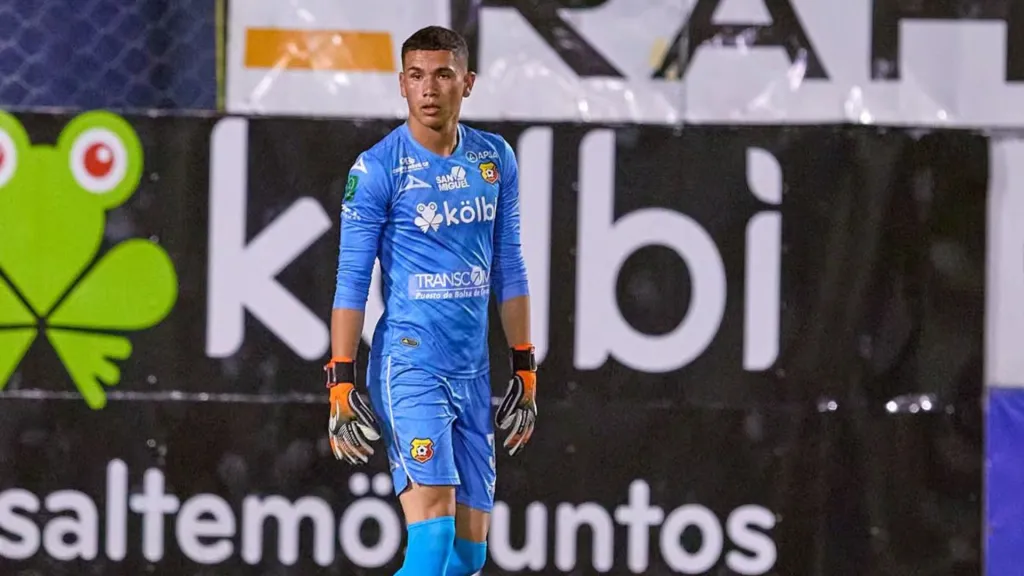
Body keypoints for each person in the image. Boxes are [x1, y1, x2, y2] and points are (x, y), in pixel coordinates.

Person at [323, 25, 538, 576]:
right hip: (410, 364)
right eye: (416, 75)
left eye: (443, 74)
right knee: (433, 537)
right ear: (401, 83)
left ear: (467, 82)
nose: (429, 88)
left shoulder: (494, 160)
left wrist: (525, 366)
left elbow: (509, 268)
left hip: (472, 372)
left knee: (467, 557)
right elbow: (351, 280)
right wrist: (341, 380)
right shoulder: (378, 169)